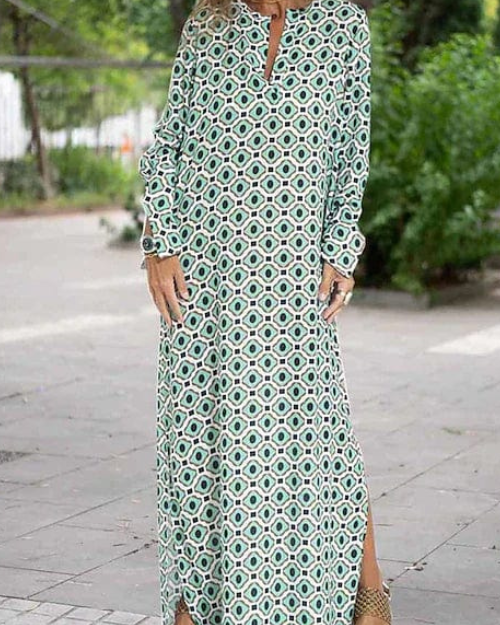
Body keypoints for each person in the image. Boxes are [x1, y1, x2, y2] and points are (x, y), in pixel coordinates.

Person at [139, 0, 392, 623]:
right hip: (202, 285)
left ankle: (365, 596)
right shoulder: (209, 22)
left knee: (320, 439)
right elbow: (168, 145)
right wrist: (160, 244)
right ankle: (195, 610)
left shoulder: (342, 27)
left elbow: (349, 155)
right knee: (198, 448)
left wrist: (340, 249)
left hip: (292, 282)